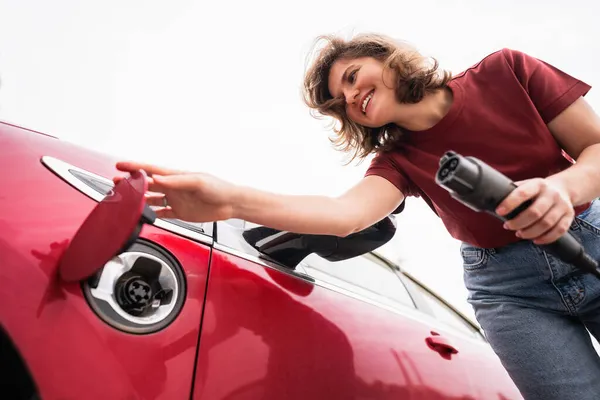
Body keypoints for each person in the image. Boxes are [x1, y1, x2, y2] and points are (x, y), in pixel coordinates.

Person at [114, 33, 600, 399]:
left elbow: (595, 148)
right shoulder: (399, 161)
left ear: (386, 55)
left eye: (351, 78)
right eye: (341, 104)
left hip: (590, 238)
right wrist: (229, 201)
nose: (350, 98)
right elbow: (343, 214)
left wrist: (560, 189)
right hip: (509, 294)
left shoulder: (505, 70)